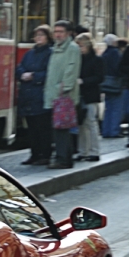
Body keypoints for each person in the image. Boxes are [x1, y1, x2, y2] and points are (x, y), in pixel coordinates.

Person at [43, 20, 81, 169]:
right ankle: (63, 156)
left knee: (62, 129)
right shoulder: (56, 48)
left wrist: (63, 87)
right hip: (54, 93)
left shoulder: (72, 48)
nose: (57, 34)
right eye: (56, 31)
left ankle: (63, 159)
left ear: (68, 33)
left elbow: (71, 69)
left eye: (61, 32)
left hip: (63, 95)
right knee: (58, 128)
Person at [16, 25, 54, 165]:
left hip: (41, 94)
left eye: (41, 35)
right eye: (36, 35)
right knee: (31, 127)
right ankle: (34, 154)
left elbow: (50, 73)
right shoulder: (29, 53)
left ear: (47, 37)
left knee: (42, 127)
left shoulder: (50, 53)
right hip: (28, 95)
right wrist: (22, 74)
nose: (38, 38)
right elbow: (19, 67)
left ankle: (45, 154)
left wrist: (33, 75)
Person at [75, 33, 104, 162]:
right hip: (80, 94)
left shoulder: (97, 60)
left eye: (80, 45)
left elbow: (100, 77)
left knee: (91, 122)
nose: (79, 48)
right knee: (81, 124)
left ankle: (94, 151)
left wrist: (83, 81)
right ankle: (83, 151)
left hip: (90, 94)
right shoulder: (77, 59)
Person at [100, 34, 124, 138]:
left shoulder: (105, 53)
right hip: (115, 84)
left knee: (108, 108)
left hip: (106, 84)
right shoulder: (116, 53)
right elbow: (118, 68)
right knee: (116, 108)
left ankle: (106, 130)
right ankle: (114, 130)